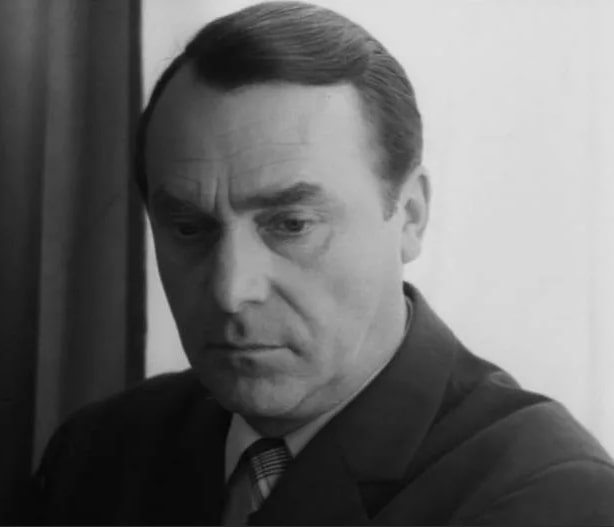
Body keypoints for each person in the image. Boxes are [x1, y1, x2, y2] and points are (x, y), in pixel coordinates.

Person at [29, 2, 614, 525]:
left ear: (410, 216)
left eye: (291, 224)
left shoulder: (550, 497)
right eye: (188, 228)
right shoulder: (95, 454)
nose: (231, 289)